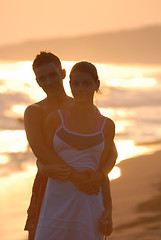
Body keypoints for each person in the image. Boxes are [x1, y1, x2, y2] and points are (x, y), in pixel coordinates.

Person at [24, 52, 117, 239]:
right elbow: (40, 151)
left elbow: (108, 154)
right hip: (49, 186)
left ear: (63, 73)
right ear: (37, 81)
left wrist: (100, 182)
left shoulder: (83, 104)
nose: (49, 82)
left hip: (87, 187)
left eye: (52, 75)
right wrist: (43, 166)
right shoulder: (35, 111)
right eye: (42, 78)